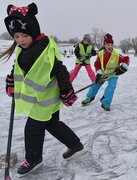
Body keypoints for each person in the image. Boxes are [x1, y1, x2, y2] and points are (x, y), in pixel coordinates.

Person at [0, 3, 85, 177]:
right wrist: (11, 80)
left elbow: (59, 69)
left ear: (33, 31)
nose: (20, 40)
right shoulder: (27, 49)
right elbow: (19, 68)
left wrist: (66, 90)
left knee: (31, 130)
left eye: (24, 35)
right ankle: (75, 145)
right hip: (47, 98)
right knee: (53, 125)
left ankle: (33, 159)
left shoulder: (41, 51)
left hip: (43, 100)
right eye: (16, 36)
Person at [81, 33, 130, 111]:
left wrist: (123, 67)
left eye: (111, 44)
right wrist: (98, 74)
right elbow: (97, 64)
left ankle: (106, 103)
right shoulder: (100, 54)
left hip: (114, 74)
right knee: (95, 84)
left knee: (112, 87)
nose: (110, 46)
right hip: (103, 74)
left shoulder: (117, 53)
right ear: (104, 45)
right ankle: (89, 97)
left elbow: (126, 59)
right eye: (108, 44)